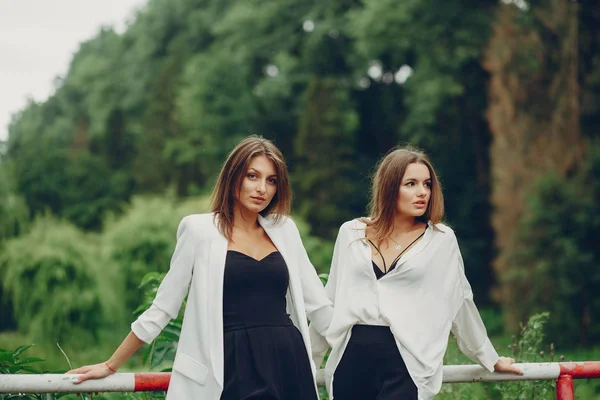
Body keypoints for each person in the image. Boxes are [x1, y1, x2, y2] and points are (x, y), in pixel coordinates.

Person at [68, 136, 333, 400]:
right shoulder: (199, 230)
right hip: (231, 365)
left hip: (288, 360)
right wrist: (110, 365)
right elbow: (163, 307)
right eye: (253, 176)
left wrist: (364, 349)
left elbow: (318, 305)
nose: (262, 188)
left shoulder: (284, 229)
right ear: (233, 177)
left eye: (271, 180)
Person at [309, 147, 522, 400]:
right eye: (411, 184)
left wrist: (490, 357)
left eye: (427, 184)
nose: (422, 192)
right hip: (351, 358)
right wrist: (309, 359)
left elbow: (460, 302)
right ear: (389, 187)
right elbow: (331, 300)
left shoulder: (441, 240)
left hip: (406, 361)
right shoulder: (351, 233)